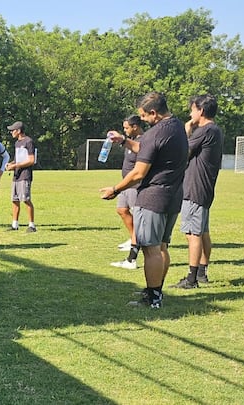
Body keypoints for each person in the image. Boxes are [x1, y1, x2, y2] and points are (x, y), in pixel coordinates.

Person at [101, 91, 188, 309]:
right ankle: (156, 289)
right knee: (162, 246)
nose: (143, 120)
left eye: (144, 116)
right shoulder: (177, 127)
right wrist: (124, 142)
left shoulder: (155, 132)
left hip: (153, 197)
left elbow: (139, 172)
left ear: (153, 113)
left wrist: (115, 189)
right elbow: (147, 149)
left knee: (151, 248)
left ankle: (152, 297)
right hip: (173, 195)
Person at [171, 94, 224, 289]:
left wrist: (186, 131)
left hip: (195, 189)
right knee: (202, 232)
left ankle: (191, 278)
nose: (190, 113)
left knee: (193, 233)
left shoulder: (204, 130)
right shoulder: (215, 130)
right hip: (205, 189)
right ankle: (202, 272)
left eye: (192, 109)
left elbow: (182, 152)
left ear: (200, 111)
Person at [110, 115, 144, 270]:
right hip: (125, 185)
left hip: (135, 185)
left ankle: (132, 258)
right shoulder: (130, 143)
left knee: (138, 219)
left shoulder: (142, 142)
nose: (125, 130)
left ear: (135, 126)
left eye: (127, 127)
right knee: (121, 210)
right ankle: (133, 238)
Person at [5, 121, 36, 232]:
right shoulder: (17, 143)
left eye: (13, 130)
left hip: (25, 175)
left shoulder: (29, 141)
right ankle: (15, 224)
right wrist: (11, 164)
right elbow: (18, 159)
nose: (11, 132)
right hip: (16, 175)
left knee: (26, 200)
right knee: (15, 200)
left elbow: (31, 160)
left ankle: (31, 225)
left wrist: (17, 165)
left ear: (18, 131)